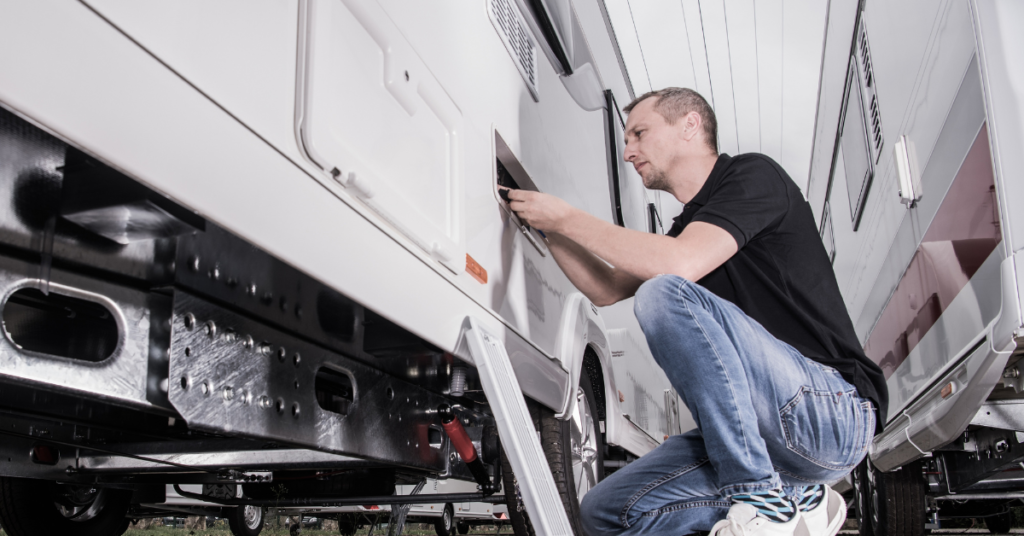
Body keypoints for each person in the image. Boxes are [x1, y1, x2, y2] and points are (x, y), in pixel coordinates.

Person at [502, 87, 887, 536]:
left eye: (639, 134)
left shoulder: (752, 176)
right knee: (604, 510)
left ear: (690, 124)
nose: (628, 153)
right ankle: (796, 497)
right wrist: (549, 228)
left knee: (663, 293)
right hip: (768, 440)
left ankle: (761, 499)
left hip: (830, 412)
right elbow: (605, 288)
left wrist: (569, 217)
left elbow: (677, 266)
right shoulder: (687, 228)